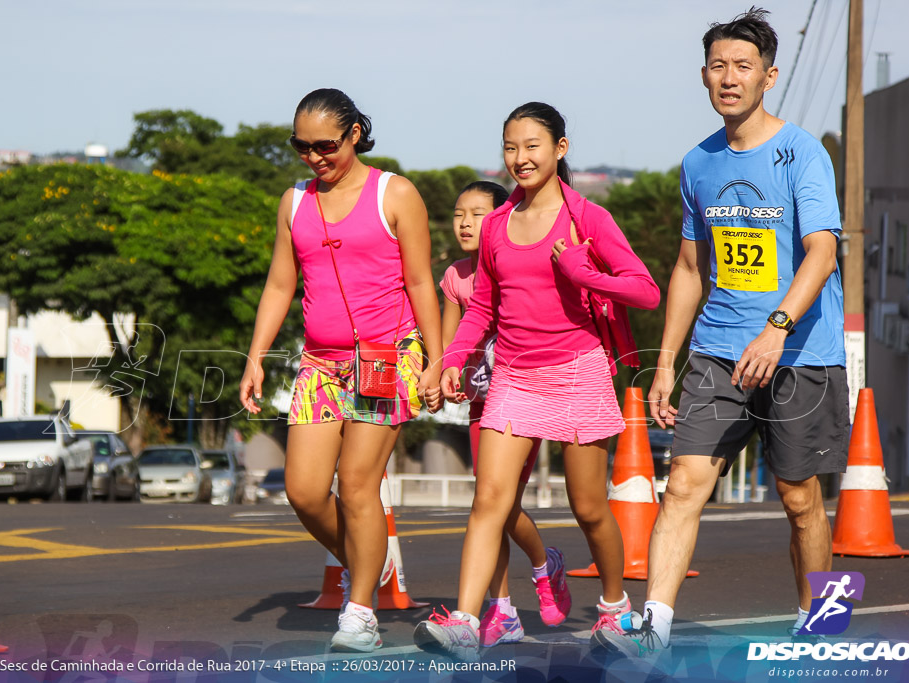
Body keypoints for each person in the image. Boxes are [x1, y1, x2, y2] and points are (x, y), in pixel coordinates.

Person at [593, 8, 849, 658]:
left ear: (769, 74)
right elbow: (688, 268)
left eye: (742, 66)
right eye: (718, 66)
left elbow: (822, 251)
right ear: (704, 75)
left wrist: (777, 327)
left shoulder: (801, 152)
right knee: (681, 485)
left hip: (800, 353)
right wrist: (666, 363)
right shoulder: (698, 163)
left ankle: (819, 615)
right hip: (716, 351)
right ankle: (654, 629)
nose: (728, 78)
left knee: (799, 499)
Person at [414, 102, 660, 660]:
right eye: (510, 147)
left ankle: (616, 611)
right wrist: (454, 357)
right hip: (514, 377)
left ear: (559, 150)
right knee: (490, 501)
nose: (520, 158)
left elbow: (646, 291)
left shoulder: (588, 220)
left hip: (579, 373)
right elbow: (483, 308)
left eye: (531, 146)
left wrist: (581, 271)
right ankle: (465, 621)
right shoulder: (497, 224)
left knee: (590, 507)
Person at [239, 88, 443, 653]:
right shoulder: (294, 202)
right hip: (320, 365)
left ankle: (360, 614)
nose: (314, 157)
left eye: (325, 145)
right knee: (303, 492)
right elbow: (281, 284)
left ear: (355, 133)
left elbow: (421, 281)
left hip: (386, 357)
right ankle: (367, 563)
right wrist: (256, 357)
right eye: (301, 147)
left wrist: (436, 357)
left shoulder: (394, 193)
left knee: (357, 486)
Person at [441, 180, 569, 648]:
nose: (465, 223)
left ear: (500, 219)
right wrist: (440, 374)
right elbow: (448, 338)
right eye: (459, 213)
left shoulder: (517, 262)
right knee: (487, 506)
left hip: (526, 395)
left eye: (477, 214)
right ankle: (503, 610)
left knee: (501, 505)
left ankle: (544, 564)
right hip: (482, 401)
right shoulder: (456, 276)